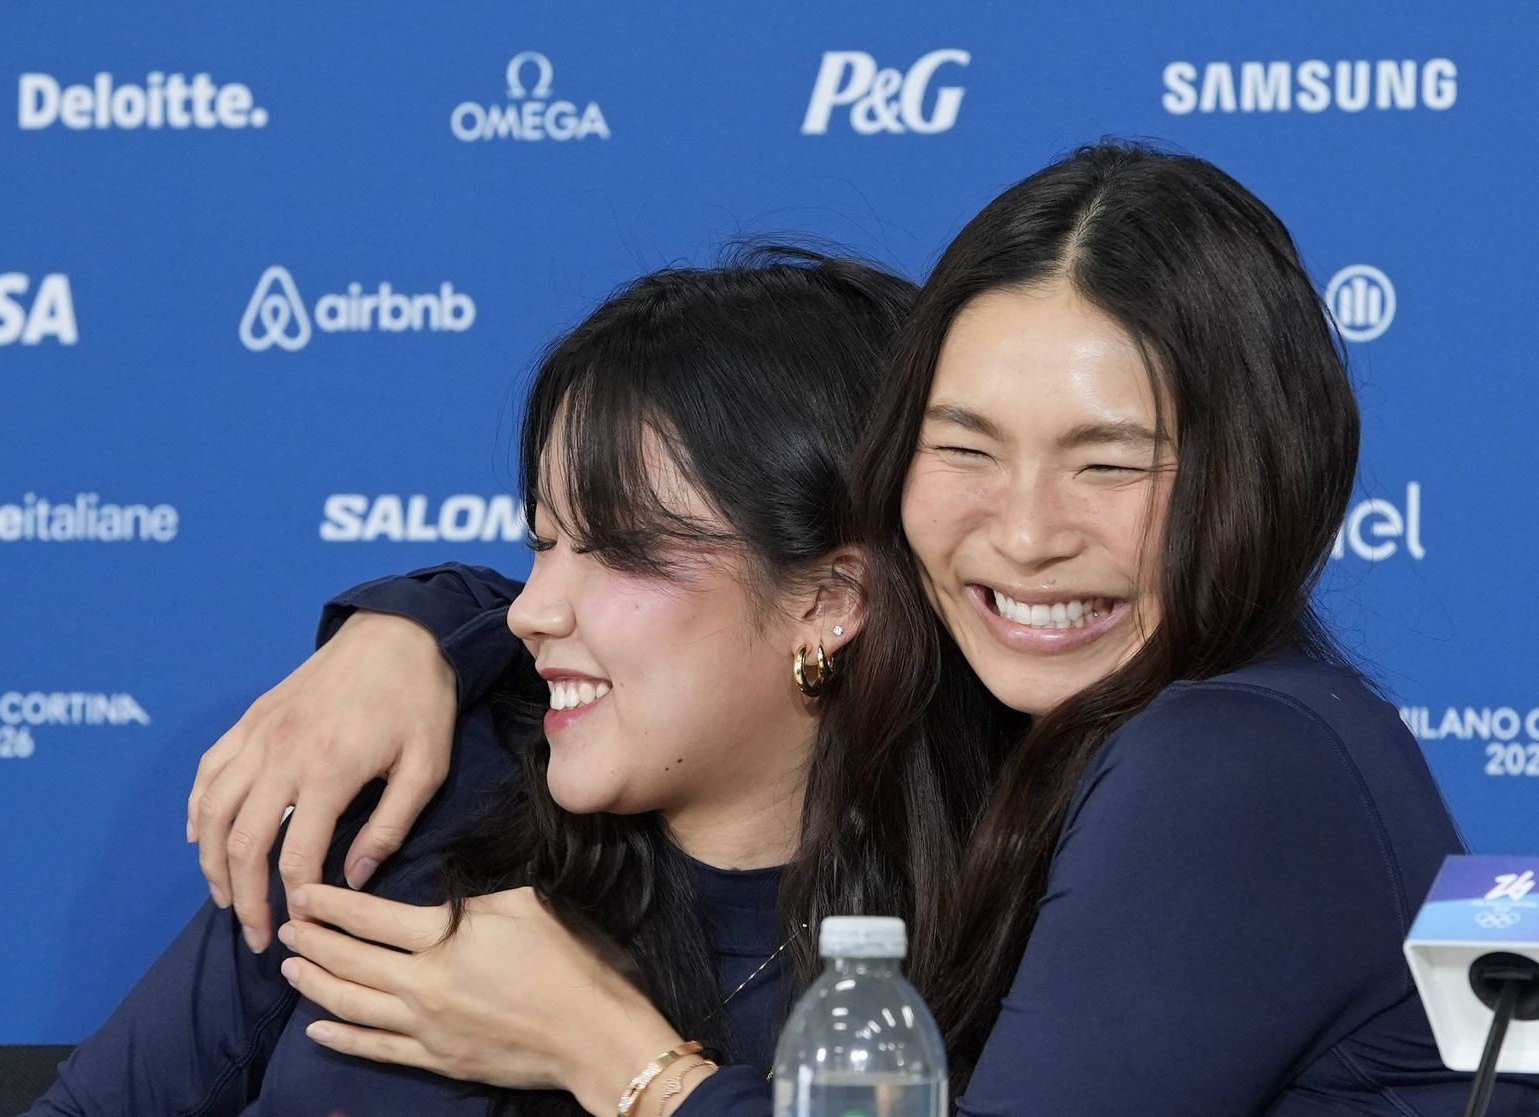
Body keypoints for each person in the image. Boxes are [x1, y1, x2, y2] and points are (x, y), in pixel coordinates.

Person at [190, 142, 1538, 1115]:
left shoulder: (1231, 758)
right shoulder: (1080, 719)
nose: (1020, 532)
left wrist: (608, 1050)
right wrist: (414, 635)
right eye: (965, 447)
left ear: (1265, 469)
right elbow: (692, 584)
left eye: (1108, 461)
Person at [25, 249, 960, 1115]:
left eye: (619, 549)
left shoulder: (993, 916)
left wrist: (606, 1048)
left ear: (832, 599)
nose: (534, 609)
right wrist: (412, 628)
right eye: (544, 543)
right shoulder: (417, 802)